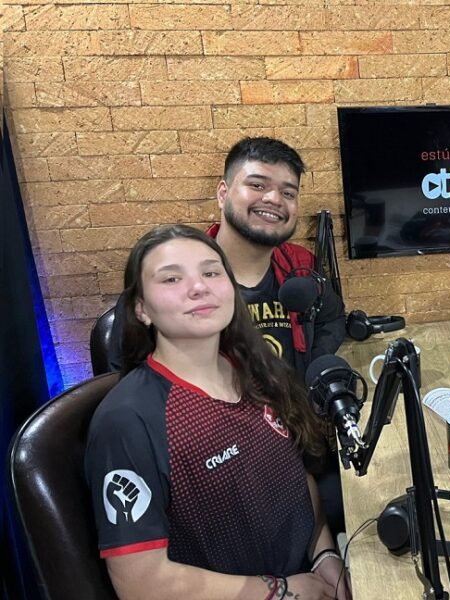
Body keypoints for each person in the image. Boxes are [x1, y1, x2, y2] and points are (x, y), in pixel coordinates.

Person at [84, 225, 350, 600]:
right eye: (172, 278)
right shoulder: (127, 420)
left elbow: (295, 481)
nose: (199, 287)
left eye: (211, 272)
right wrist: (281, 591)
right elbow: (141, 582)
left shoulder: (257, 372)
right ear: (141, 308)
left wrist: (324, 556)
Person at [108, 137, 347, 378]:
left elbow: (332, 317)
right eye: (257, 185)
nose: (274, 199)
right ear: (223, 194)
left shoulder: (301, 265)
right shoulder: (173, 277)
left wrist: (309, 375)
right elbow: (129, 373)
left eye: (288, 192)